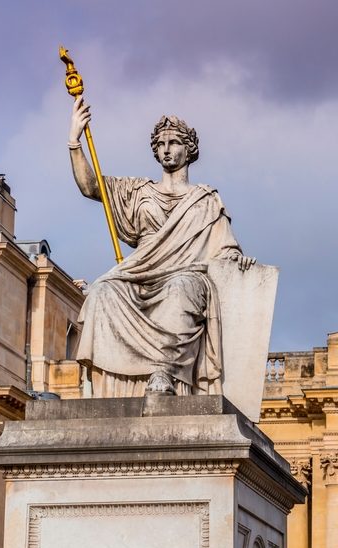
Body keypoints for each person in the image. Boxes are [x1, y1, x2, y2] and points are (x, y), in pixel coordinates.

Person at [67, 96, 255, 396]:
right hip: (139, 272)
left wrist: (237, 259)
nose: (166, 149)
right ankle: (109, 388)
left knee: (181, 288)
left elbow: (225, 249)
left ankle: (164, 371)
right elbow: (91, 187)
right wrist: (75, 142)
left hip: (185, 273)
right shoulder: (137, 190)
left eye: (174, 142)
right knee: (103, 291)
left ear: (189, 149)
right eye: (161, 144)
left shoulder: (206, 200)